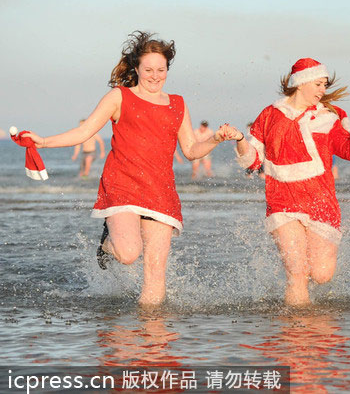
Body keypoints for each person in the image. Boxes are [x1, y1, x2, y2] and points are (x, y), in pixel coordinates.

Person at [22, 31, 240, 305]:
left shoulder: (178, 104)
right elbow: (84, 132)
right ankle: (107, 244)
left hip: (161, 191)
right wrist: (42, 142)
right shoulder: (119, 97)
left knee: (155, 274)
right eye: (148, 69)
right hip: (122, 185)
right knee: (128, 254)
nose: (155, 75)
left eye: (161, 70)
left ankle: (152, 343)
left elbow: (190, 150)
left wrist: (216, 139)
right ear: (136, 68)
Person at [233, 58, 350, 306]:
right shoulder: (270, 115)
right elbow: (252, 160)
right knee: (297, 273)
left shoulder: (329, 117)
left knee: (322, 275)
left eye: (324, 85)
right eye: (319, 84)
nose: (323, 90)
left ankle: (307, 327)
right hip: (282, 201)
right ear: (301, 83)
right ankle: (297, 338)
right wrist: (239, 139)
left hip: (321, 201)